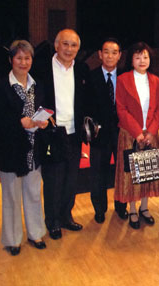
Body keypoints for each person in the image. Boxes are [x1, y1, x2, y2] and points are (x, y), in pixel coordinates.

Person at [0, 40, 48, 255]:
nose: (24, 62)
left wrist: (42, 121)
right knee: (11, 197)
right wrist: (19, 122)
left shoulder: (38, 85)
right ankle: (13, 239)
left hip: (34, 149)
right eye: (19, 58)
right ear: (11, 60)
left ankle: (35, 233)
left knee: (34, 193)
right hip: (11, 150)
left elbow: (42, 109)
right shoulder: (1, 86)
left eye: (27, 58)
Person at [33, 29, 90, 240]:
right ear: (56, 46)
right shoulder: (41, 68)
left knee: (71, 178)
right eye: (65, 44)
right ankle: (53, 221)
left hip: (74, 133)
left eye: (73, 45)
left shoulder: (82, 69)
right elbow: (35, 98)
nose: (69, 49)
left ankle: (66, 216)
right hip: (52, 133)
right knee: (53, 179)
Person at [114, 42, 159, 229]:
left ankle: (144, 208)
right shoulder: (123, 79)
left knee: (147, 173)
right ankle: (132, 209)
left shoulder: (156, 80)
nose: (142, 60)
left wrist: (151, 132)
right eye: (137, 57)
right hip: (130, 134)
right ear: (131, 60)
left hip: (150, 134)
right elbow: (121, 109)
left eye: (145, 56)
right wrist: (137, 132)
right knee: (131, 175)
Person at [89, 38, 127, 224]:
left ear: (119, 55)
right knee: (98, 173)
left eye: (114, 52)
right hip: (99, 134)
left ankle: (121, 207)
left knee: (122, 171)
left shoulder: (126, 77)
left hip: (122, 132)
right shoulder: (91, 76)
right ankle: (99, 209)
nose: (110, 56)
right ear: (99, 54)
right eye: (106, 52)